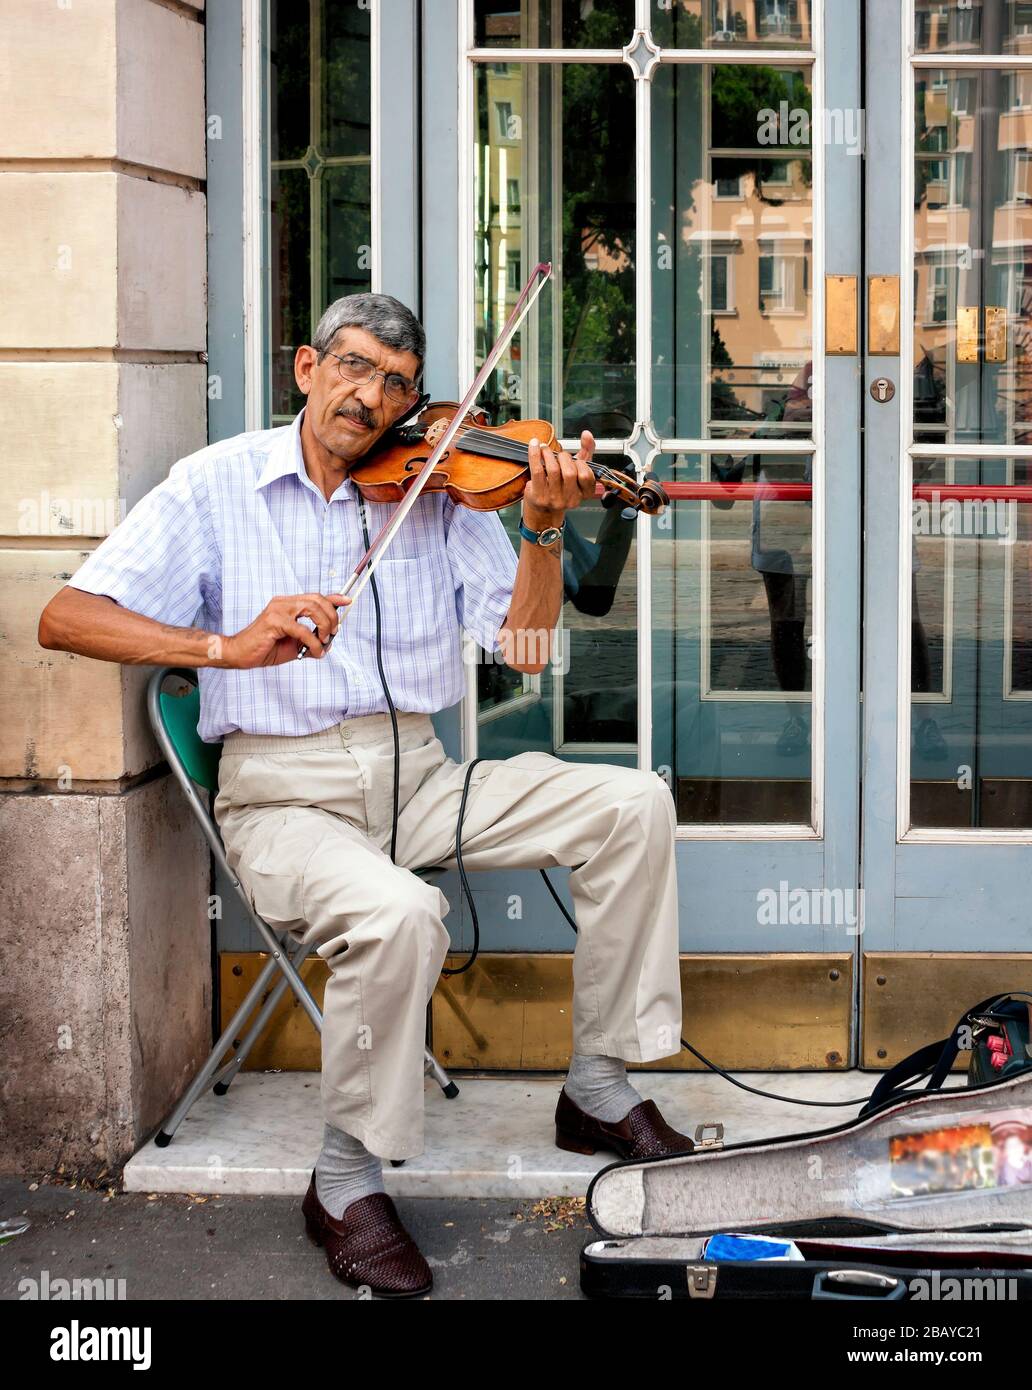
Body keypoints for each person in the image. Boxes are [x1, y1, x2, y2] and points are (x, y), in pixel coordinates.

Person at [37, 293, 692, 1298]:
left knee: (633, 802)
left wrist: (546, 531)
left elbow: (523, 649)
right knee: (400, 909)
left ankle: (597, 1086)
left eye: (394, 381)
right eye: (351, 366)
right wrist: (224, 645)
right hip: (282, 794)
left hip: (420, 776)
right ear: (307, 367)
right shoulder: (218, 485)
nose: (369, 395)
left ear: (413, 399)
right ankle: (344, 1180)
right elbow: (66, 616)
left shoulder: (437, 487)